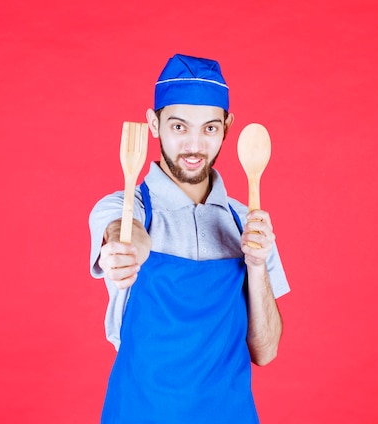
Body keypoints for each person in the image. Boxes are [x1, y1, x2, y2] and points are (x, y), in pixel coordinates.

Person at [89, 53, 290, 424]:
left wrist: (258, 266)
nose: (194, 146)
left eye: (209, 129)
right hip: (139, 412)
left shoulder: (248, 222)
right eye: (179, 127)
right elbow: (122, 232)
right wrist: (128, 249)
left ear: (227, 126)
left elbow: (266, 350)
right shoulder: (125, 206)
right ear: (154, 123)